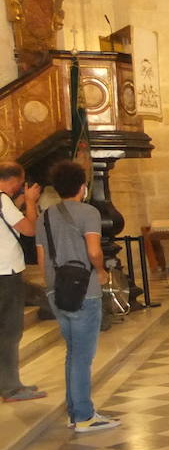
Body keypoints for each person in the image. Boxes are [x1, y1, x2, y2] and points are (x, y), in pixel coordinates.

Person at [35, 161, 116, 433]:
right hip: (84, 290)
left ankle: (75, 411)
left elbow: (41, 258)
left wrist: (52, 287)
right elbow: (94, 251)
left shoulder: (43, 216)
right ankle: (83, 416)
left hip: (56, 290)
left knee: (72, 353)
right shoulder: (88, 212)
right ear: (83, 187)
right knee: (83, 356)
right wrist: (102, 271)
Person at [0, 162, 43, 403]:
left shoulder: (5, 202)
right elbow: (29, 229)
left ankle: (6, 383)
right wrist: (30, 202)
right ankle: (11, 388)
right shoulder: (3, 200)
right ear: (15, 180)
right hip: (5, 273)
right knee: (9, 330)